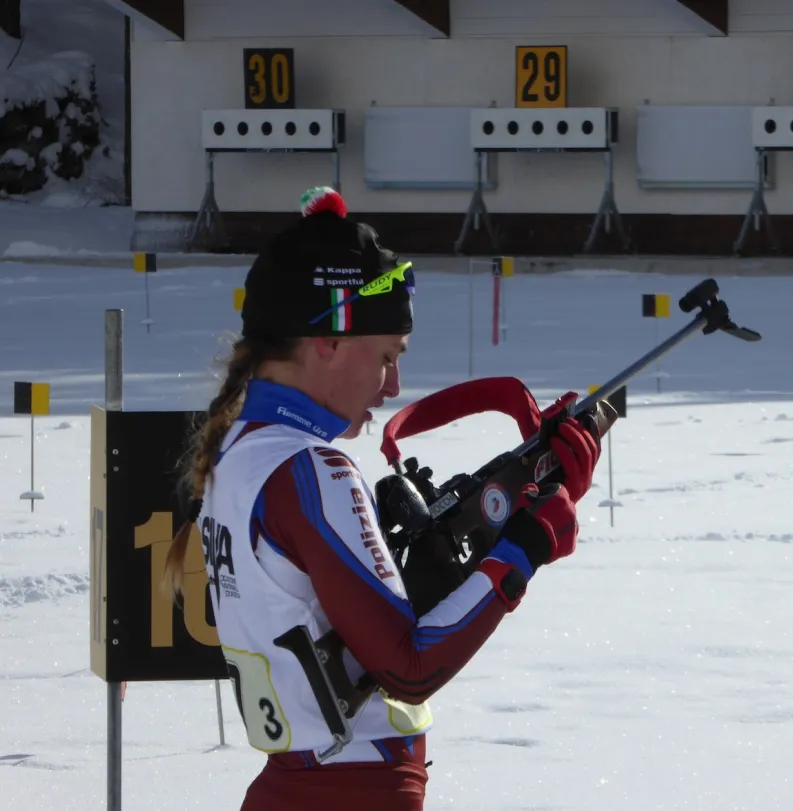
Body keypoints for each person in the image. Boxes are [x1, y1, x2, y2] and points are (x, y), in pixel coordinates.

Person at [161, 187, 602, 811]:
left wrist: (507, 508)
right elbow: (408, 666)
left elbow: (341, 635)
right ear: (329, 342)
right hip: (358, 791)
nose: (393, 385)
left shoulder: (240, 450)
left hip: (293, 785)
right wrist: (528, 544)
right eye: (387, 357)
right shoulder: (312, 470)